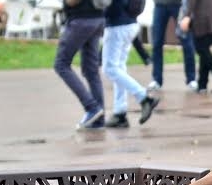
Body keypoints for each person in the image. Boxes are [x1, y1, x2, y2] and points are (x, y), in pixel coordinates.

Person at [102, 0, 160, 128]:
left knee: (109, 68)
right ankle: (120, 113)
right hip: (130, 23)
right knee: (119, 68)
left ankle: (144, 98)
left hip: (116, 24)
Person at [54, 0, 106, 130]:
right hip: (97, 19)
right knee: (91, 70)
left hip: (81, 20)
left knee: (61, 64)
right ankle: (98, 119)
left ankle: (92, 107)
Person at [179, 0, 212, 94]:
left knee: (202, 48)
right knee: (203, 49)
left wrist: (187, 16)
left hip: (207, 17)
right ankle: (202, 84)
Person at [148, 0, 197, 91]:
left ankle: (191, 79)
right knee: (157, 43)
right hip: (160, 5)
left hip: (178, 5)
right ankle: (156, 79)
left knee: (187, 42)